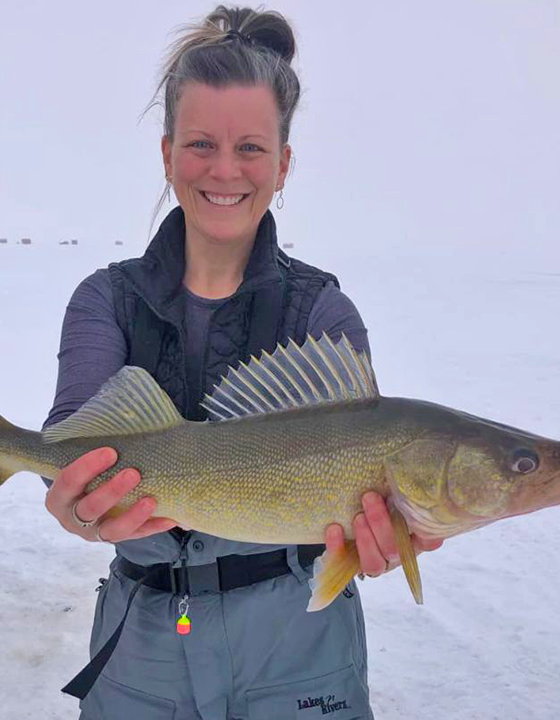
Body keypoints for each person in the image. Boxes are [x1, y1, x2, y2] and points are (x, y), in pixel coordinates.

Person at [42, 6, 441, 719]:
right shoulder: (106, 300)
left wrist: (385, 540)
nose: (225, 170)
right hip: (142, 649)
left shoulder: (323, 315)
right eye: (201, 144)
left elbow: (359, 515)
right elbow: (73, 433)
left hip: (301, 648)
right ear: (167, 154)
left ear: (283, 162)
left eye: (251, 148)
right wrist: (79, 506)